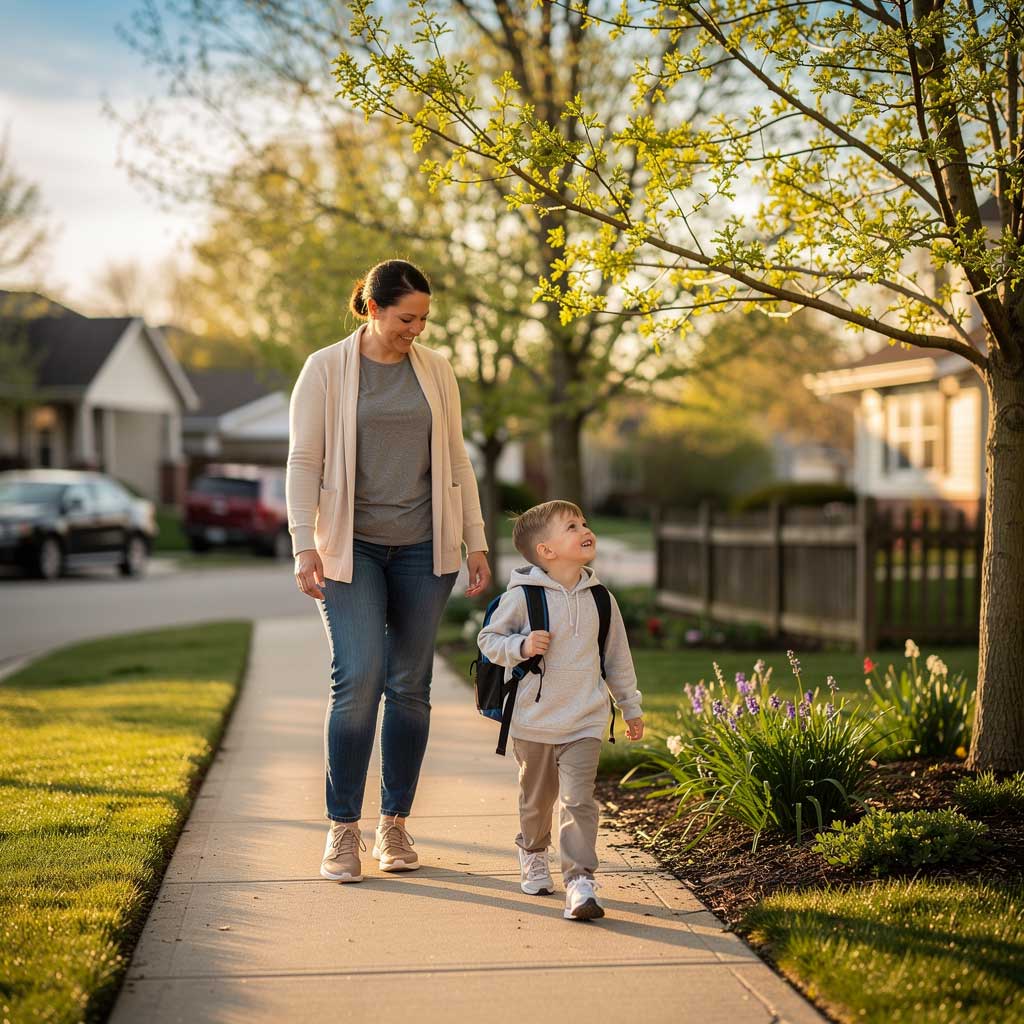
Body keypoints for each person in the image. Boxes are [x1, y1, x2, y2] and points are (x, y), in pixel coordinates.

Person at [287, 259, 492, 883]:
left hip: (424, 551)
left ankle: (394, 824)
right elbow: (303, 461)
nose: (416, 329)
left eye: (424, 319)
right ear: (372, 308)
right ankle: (342, 829)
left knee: (410, 684)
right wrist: (303, 543)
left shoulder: (436, 370)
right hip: (352, 551)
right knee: (358, 678)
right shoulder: (325, 369)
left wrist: (476, 541)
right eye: (407, 318)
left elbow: (456, 460)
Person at [476, 500, 643, 920]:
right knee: (537, 801)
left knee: (578, 800)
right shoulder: (521, 597)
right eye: (571, 526)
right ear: (546, 551)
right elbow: (488, 642)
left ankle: (580, 882)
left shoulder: (602, 599)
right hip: (534, 721)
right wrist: (521, 646)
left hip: (584, 719)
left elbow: (617, 659)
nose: (585, 529)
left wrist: (630, 706)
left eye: (584, 523)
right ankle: (532, 852)